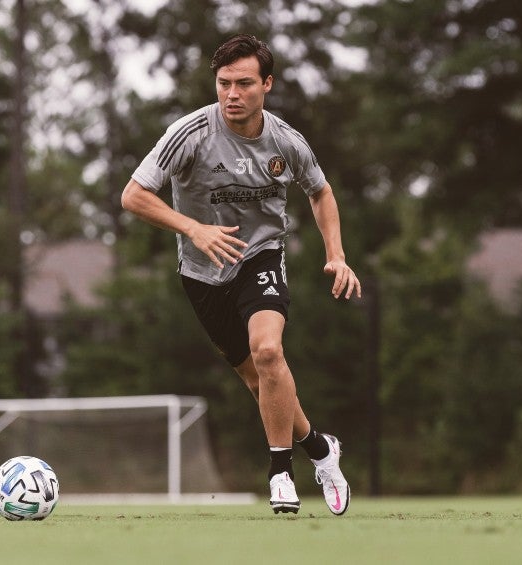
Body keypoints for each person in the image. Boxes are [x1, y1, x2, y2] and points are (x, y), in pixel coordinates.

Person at [120, 33, 361, 515]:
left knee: (269, 351)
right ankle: (319, 448)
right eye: (224, 83)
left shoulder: (285, 141)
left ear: (267, 84)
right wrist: (194, 228)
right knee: (259, 382)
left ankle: (280, 474)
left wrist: (336, 253)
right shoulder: (189, 134)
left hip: (261, 256)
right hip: (202, 272)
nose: (232, 93)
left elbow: (321, 191)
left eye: (244, 83)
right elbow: (133, 196)